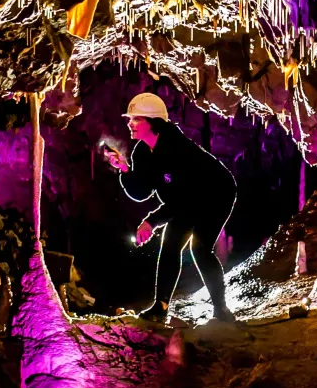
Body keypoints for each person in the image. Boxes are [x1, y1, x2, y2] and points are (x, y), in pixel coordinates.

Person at [101, 92, 237, 324]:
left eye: (136, 119)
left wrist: (151, 221)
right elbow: (141, 193)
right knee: (170, 243)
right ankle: (160, 307)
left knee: (200, 249)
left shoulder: (177, 149)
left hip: (216, 193)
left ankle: (222, 310)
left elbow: (182, 199)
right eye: (129, 119)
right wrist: (124, 170)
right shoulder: (142, 151)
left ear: (152, 122)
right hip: (186, 199)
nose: (129, 124)